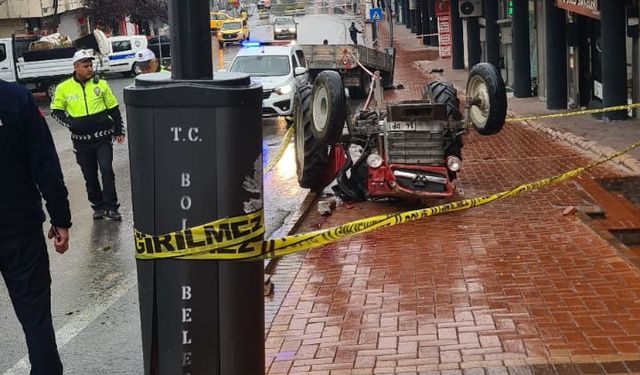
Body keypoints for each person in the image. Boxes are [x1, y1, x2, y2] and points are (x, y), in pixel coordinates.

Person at [0, 79, 72, 375]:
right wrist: (61, 219)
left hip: (20, 228)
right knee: (35, 317)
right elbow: (45, 165)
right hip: (20, 229)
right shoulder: (16, 99)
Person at [51, 49, 125, 221]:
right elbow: (55, 112)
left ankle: (112, 207)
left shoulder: (101, 84)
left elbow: (113, 109)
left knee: (107, 170)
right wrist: (72, 124)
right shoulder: (63, 87)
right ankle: (98, 206)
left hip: (103, 138)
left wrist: (119, 130)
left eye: (91, 65)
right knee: (89, 175)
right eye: (86, 66)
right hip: (81, 142)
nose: (90, 69)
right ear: (76, 67)